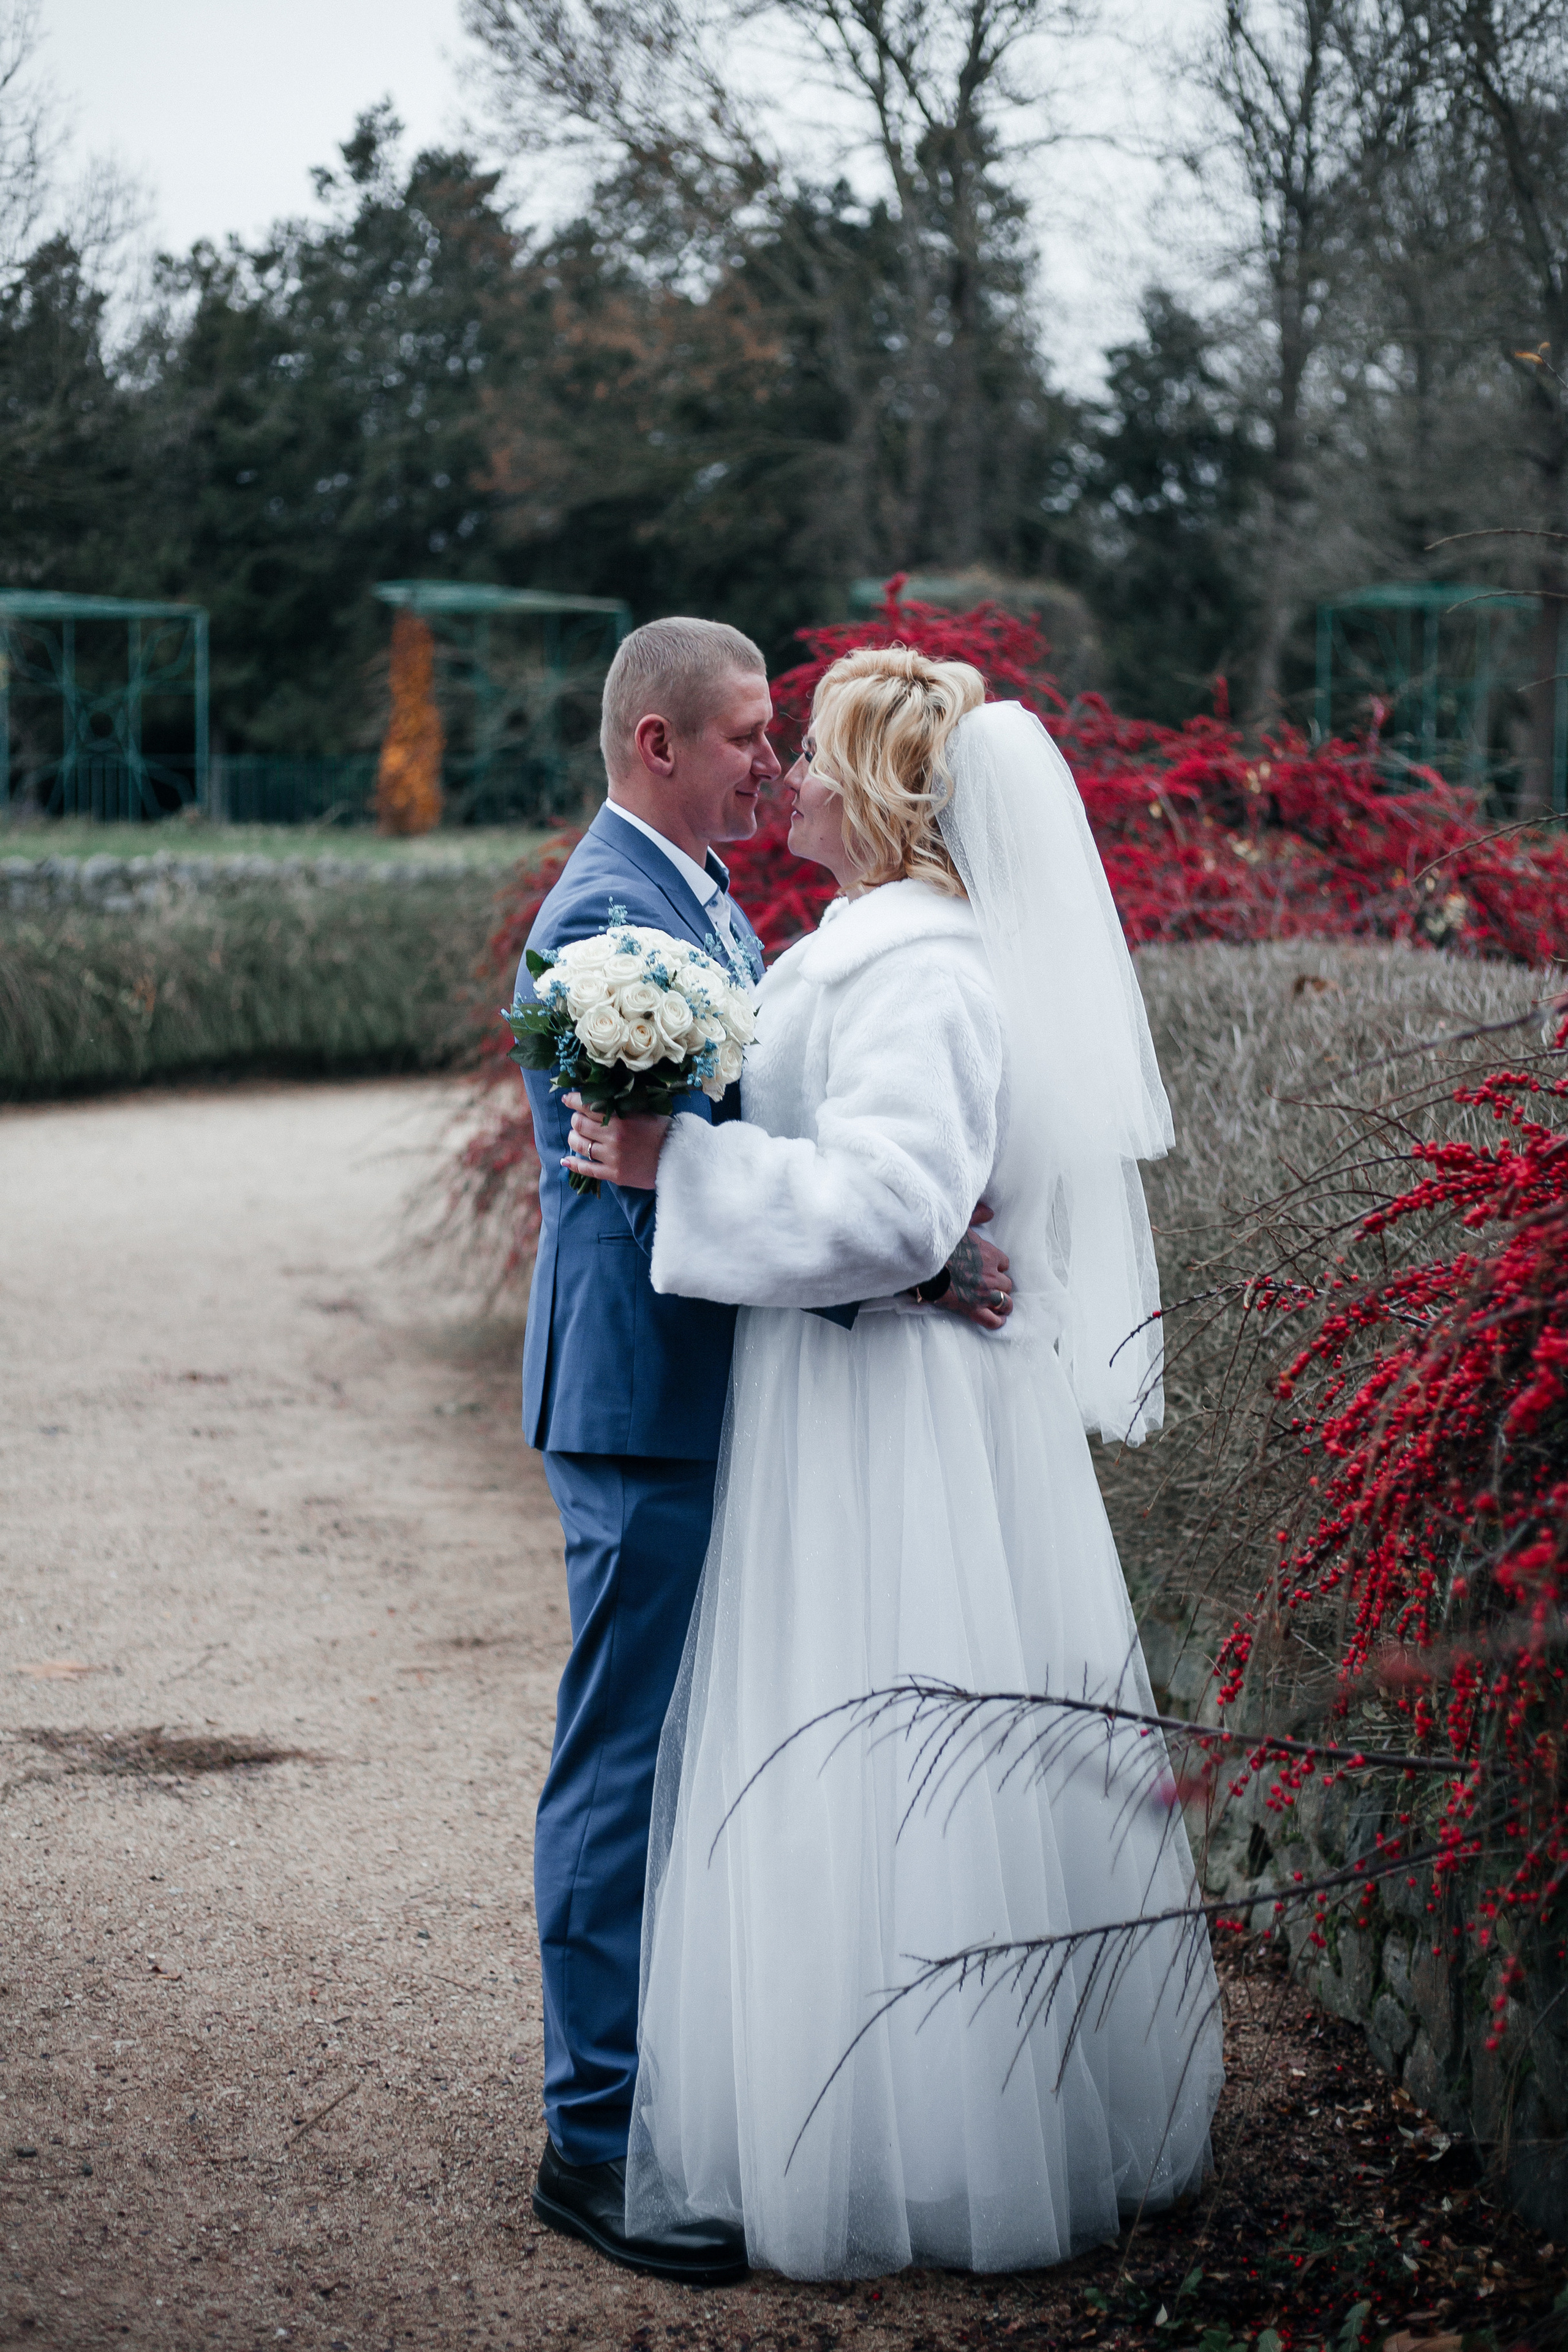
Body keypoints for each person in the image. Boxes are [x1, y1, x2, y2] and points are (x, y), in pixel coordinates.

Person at [567, 647, 1226, 2280]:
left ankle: (932, 2143)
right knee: (835, 1767)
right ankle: (834, 2101)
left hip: (893, 1435)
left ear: (876, 793)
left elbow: (893, 1210)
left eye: (812, 752)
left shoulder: (921, 966)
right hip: (848, 1394)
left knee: (889, 1762)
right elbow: (900, 1220)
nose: (782, 770)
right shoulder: (862, 944)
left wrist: (681, 1167)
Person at [515, 618, 1014, 2286]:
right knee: (625, 1759)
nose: (770, 760)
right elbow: (638, 1165)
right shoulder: (608, 915)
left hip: (715, 1380)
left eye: (784, 736)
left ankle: (666, 2096)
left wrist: (925, 1255)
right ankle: (593, 2142)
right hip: (644, 1395)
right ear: (659, 746)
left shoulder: (704, 901)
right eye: (744, 736)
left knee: (676, 1754)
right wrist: (914, 1254)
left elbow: (755, 1146)